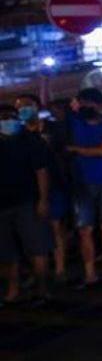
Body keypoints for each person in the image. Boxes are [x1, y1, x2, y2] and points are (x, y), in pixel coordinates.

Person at [66, 87, 102, 286]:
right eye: (81, 103)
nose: (83, 106)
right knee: (85, 229)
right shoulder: (75, 122)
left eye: (86, 103)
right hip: (83, 181)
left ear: (98, 104)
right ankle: (90, 273)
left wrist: (75, 149)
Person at [0, 103, 53, 306]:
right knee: (5, 253)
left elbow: (41, 172)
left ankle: (42, 290)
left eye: (9, 117)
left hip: (27, 202)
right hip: (2, 205)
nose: (6, 121)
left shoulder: (30, 140)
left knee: (36, 248)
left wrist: (42, 199)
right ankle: (13, 291)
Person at [17, 91, 70, 281]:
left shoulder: (52, 128)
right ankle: (38, 271)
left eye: (27, 105)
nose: (23, 109)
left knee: (56, 227)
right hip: (28, 189)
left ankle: (60, 267)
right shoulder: (18, 134)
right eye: (20, 107)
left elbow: (64, 152)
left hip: (54, 184)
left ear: (37, 107)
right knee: (33, 232)